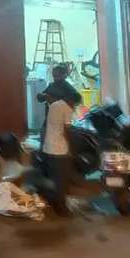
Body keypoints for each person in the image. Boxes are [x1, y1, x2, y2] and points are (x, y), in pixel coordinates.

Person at [42, 85, 82, 215]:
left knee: (53, 178)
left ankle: (54, 203)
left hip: (48, 147)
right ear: (72, 101)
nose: (74, 107)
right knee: (61, 180)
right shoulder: (67, 109)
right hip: (60, 150)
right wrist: (71, 148)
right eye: (75, 104)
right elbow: (67, 130)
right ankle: (61, 209)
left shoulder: (54, 104)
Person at [37, 63, 77, 147]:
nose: (55, 78)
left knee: (58, 143)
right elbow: (41, 99)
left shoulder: (68, 88)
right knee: (44, 138)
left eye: (58, 76)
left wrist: (54, 101)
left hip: (61, 120)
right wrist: (40, 96)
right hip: (49, 117)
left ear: (64, 75)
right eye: (54, 76)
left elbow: (75, 101)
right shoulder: (51, 86)